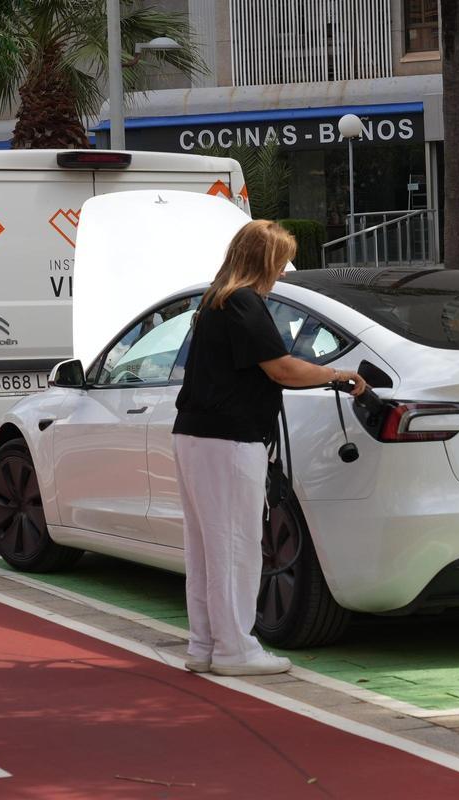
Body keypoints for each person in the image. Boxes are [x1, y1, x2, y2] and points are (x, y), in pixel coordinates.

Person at [172, 220, 367, 676]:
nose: (281, 272)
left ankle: (205, 645)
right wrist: (339, 375)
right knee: (236, 544)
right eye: (279, 262)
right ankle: (236, 649)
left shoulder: (216, 300)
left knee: (204, 546)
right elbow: (283, 370)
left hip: (194, 434)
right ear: (265, 260)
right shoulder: (245, 302)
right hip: (230, 439)